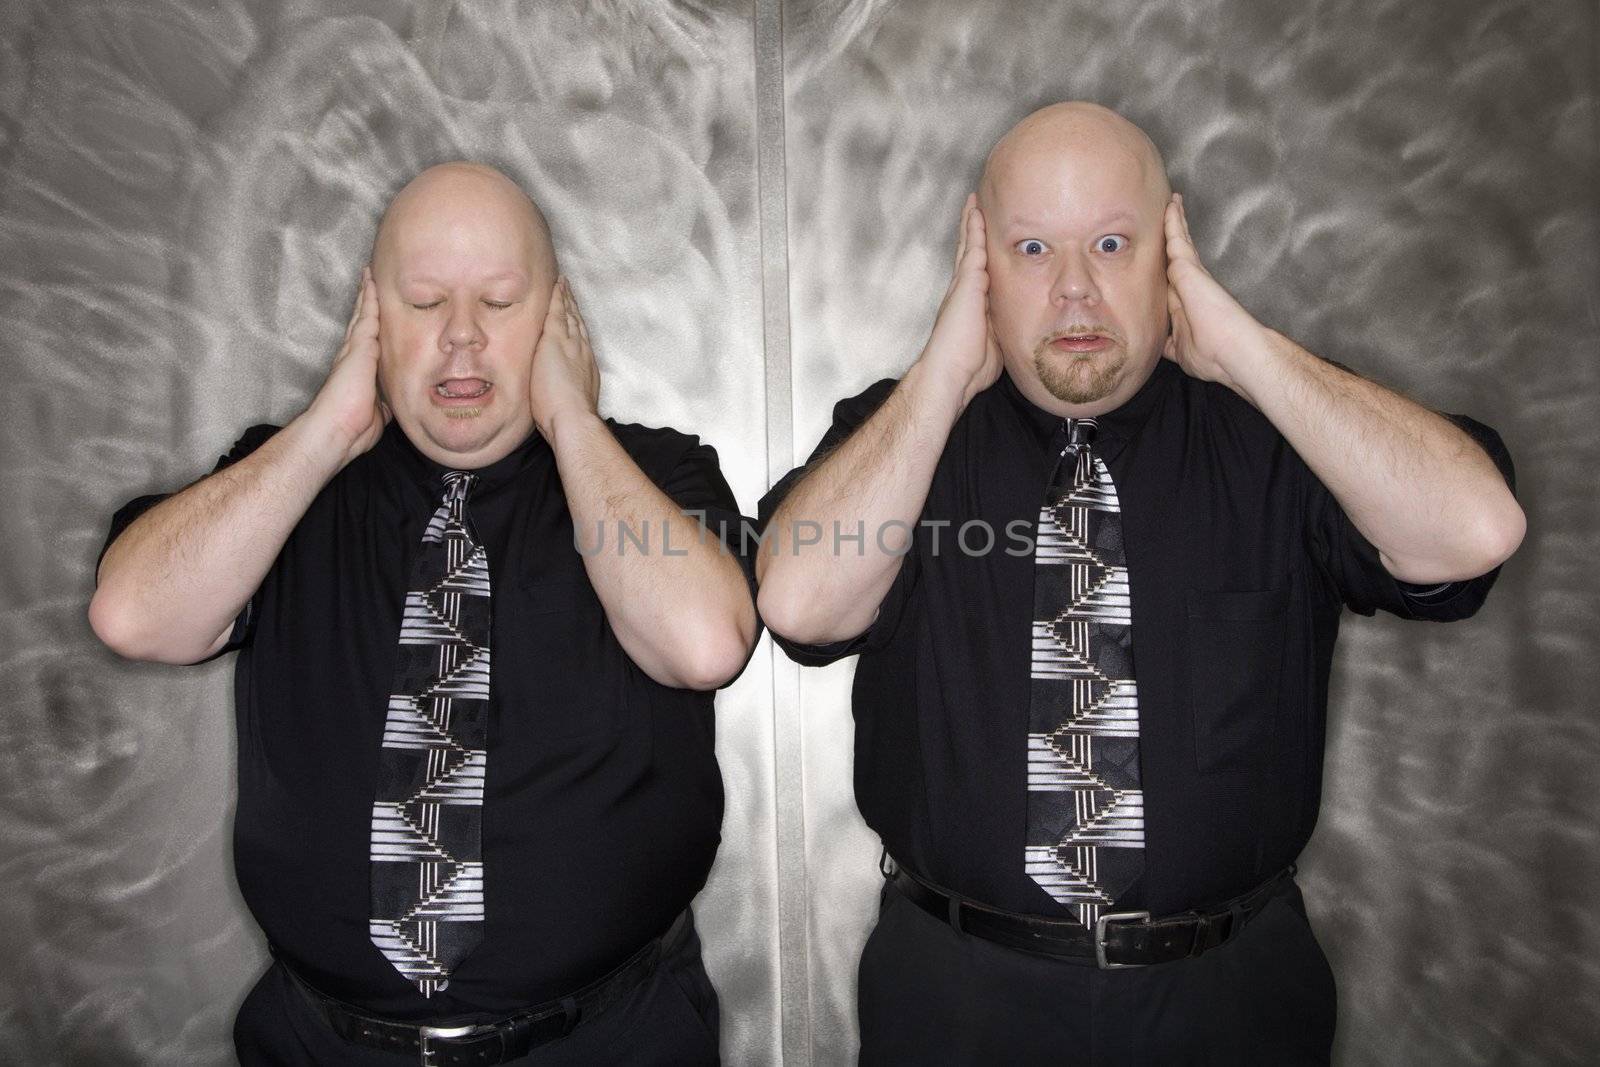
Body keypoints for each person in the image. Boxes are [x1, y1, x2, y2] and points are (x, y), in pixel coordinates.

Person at [755, 102, 1524, 1063]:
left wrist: (1241, 347)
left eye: (1113, 244)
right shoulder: (904, 435)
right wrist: (944, 369)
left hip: (1232, 997)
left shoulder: (1277, 431)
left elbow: (1478, 529)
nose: (1075, 289)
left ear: (1172, 246)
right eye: (1033, 250)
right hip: (957, 997)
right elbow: (797, 600)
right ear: (978, 259)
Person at [89, 162, 757, 1065]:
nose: (462, 338)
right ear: (373, 315)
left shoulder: (657, 476)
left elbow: (705, 641)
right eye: (424, 301)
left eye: (501, 301)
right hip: (320, 1043)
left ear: (557, 315)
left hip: (611, 1038)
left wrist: (571, 423)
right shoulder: (283, 480)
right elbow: (134, 614)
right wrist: (325, 429)